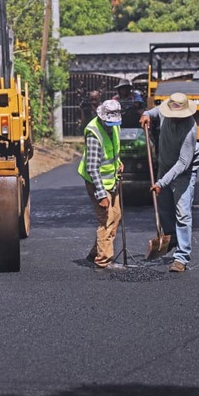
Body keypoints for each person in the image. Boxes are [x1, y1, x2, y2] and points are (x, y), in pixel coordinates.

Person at [140, 93, 199, 273]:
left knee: (183, 213)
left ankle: (181, 257)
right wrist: (147, 114)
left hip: (183, 171)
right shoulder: (164, 113)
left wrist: (161, 183)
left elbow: (183, 163)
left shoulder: (190, 128)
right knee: (164, 208)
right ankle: (173, 238)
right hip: (164, 165)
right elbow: (155, 111)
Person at [78, 99, 125, 269]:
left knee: (116, 215)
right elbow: (92, 167)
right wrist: (101, 194)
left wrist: (117, 161)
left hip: (111, 179)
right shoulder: (94, 133)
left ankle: (95, 252)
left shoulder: (114, 126)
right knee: (106, 219)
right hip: (97, 182)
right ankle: (103, 260)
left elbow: (113, 148)